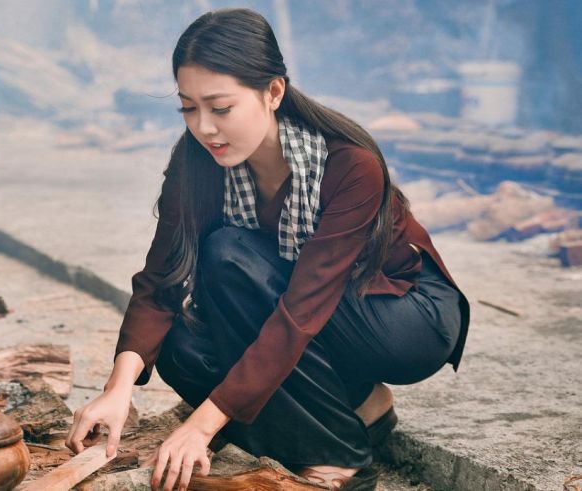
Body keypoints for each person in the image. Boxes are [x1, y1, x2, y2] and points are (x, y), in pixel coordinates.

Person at [65, 8, 469, 491]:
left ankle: (340, 459)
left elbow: (300, 310)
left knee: (228, 257)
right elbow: (162, 280)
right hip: (304, 311)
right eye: (188, 107)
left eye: (220, 108)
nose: (204, 127)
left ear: (273, 91)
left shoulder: (348, 164)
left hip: (399, 316)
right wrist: (118, 390)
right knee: (180, 347)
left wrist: (200, 426)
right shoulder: (197, 161)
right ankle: (360, 406)